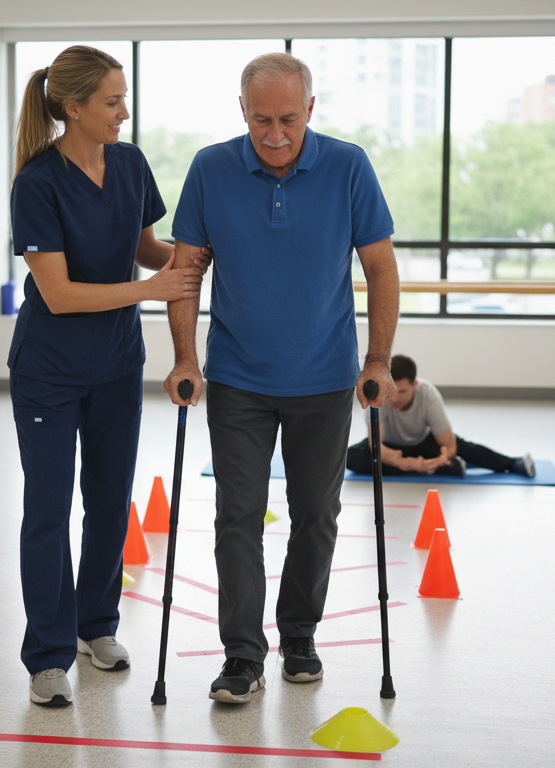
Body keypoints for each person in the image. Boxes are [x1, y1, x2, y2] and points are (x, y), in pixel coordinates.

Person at [164, 53, 400, 704]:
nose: (274, 134)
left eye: (288, 119)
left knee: (315, 516)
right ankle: (242, 655)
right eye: (260, 119)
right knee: (235, 517)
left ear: (310, 112)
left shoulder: (347, 166)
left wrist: (376, 360)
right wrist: (185, 358)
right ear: (242, 113)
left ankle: (298, 636)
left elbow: (380, 268)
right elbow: (186, 272)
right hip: (237, 376)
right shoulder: (211, 169)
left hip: (324, 378)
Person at [8, 45, 210, 707]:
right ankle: (45, 656)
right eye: (111, 102)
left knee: (106, 505)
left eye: (123, 99)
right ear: (73, 107)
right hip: (48, 370)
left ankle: (96, 627)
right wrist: (151, 288)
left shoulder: (127, 164)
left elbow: (145, 249)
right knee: (46, 511)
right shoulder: (36, 182)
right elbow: (60, 294)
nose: (124, 113)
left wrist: (202, 258)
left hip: (116, 366)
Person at [344, 354, 536, 478]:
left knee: (465, 447)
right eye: (392, 391)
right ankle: (440, 469)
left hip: (424, 442)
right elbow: (375, 447)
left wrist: (438, 459)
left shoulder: (427, 393)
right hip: (392, 448)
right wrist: (408, 463)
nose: (394, 398)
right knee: (350, 457)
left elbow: (448, 445)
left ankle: (513, 463)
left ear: (415, 385)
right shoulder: (379, 393)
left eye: (401, 392)